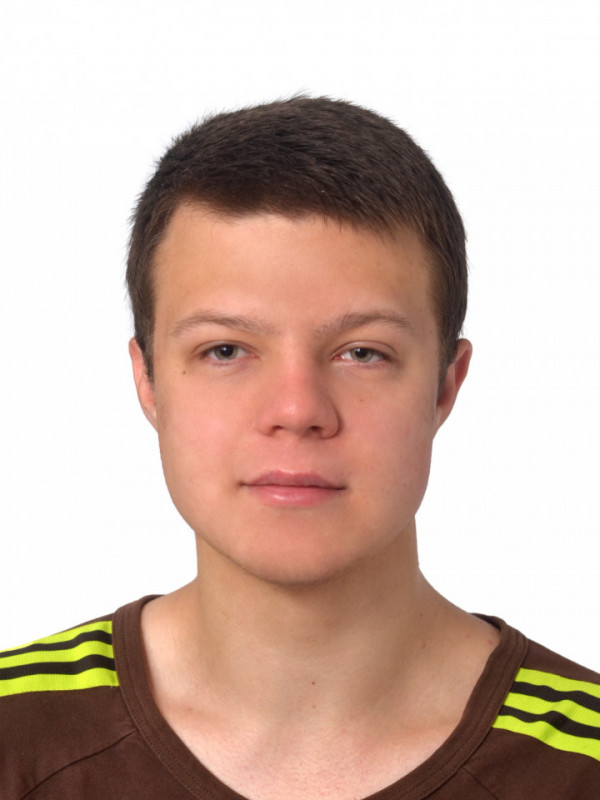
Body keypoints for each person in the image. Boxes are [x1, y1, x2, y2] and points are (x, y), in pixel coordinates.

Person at [1, 96, 598, 799]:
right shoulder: (19, 737)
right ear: (148, 381)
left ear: (445, 385)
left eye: (363, 353)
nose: (296, 410)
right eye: (225, 350)